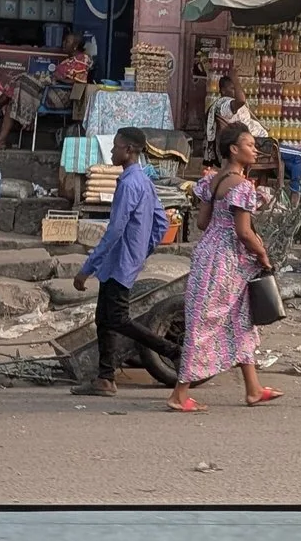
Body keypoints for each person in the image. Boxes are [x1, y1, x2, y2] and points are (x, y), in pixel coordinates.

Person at [172, 125, 280, 411]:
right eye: (250, 144)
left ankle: (253, 388)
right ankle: (179, 394)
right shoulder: (242, 186)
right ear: (234, 149)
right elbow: (244, 231)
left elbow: (202, 223)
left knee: (240, 319)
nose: (255, 150)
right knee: (206, 324)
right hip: (227, 260)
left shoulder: (214, 181)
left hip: (208, 252)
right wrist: (263, 256)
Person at [73, 127, 181, 396]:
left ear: (129, 151)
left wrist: (87, 269)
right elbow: (160, 222)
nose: (112, 151)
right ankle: (105, 378)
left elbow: (115, 229)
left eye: (116, 147)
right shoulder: (144, 181)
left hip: (118, 261)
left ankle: (171, 350)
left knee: (117, 319)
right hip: (124, 260)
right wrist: (142, 251)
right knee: (104, 318)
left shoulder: (130, 184)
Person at [205, 70, 262, 156]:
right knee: (288, 154)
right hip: (250, 145)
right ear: (223, 91)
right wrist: (235, 79)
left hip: (256, 142)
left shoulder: (232, 104)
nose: (237, 91)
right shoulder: (224, 104)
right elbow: (241, 100)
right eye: (233, 88)